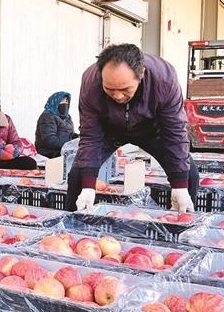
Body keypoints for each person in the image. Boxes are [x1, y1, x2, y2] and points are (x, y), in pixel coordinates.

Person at [67, 44, 198, 213]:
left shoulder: (164, 79)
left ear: (141, 73)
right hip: (109, 130)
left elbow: (175, 130)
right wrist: (88, 186)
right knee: (78, 176)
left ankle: (182, 222)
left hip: (151, 130)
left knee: (189, 176)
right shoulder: (91, 82)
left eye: (125, 89)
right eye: (109, 89)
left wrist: (179, 185)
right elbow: (90, 134)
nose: (117, 96)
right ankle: (70, 226)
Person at [35, 91, 78, 158]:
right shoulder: (47, 117)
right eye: (62, 101)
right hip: (49, 153)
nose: (65, 104)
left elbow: (68, 134)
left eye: (66, 101)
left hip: (63, 150)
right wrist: (69, 142)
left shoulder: (67, 117)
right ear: (55, 102)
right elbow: (49, 140)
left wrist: (76, 137)